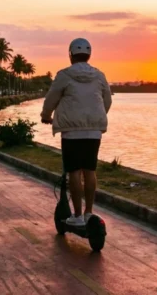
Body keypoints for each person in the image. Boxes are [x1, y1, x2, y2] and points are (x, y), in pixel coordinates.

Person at [41, 38, 112, 227]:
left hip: (71, 131)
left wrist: (46, 115)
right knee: (90, 170)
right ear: (89, 55)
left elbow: (51, 98)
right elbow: (107, 101)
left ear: (70, 55)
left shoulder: (64, 75)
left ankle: (78, 216)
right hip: (94, 132)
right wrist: (95, 118)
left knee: (73, 171)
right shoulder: (99, 75)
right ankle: (89, 212)